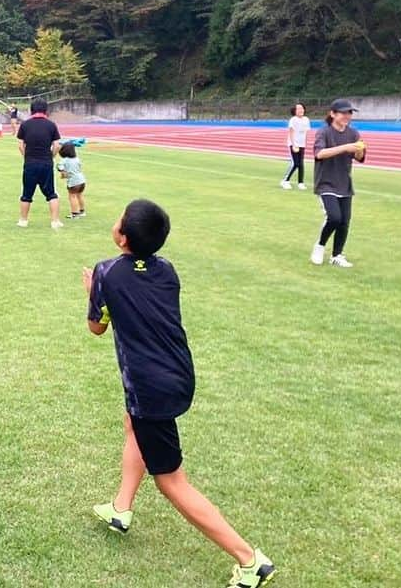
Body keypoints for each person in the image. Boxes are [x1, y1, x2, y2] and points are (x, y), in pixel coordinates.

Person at [84, 199, 276, 588]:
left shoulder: (106, 273)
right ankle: (121, 508)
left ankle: (250, 560)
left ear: (121, 237)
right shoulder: (168, 270)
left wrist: (93, 291)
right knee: (132, 422)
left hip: (150, 388)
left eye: (119, 219)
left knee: (171, 481)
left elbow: (97, 328)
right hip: (178, 376)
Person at [310, 98, 366, 268]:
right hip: (326, 182)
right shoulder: (324, 132)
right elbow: (319, 154)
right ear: (332, 114)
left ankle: (337, 255)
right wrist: (345, 147)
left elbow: (359, 158)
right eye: (343, 113)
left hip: (344, 182)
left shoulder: (353, 134)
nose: (347, 116)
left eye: (349, 113)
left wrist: (359, 149)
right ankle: (320, 245)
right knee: (334, 217)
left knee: (344, 222)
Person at [16, 97, 63, 229]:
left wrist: (27, 156)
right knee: (51, 193)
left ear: (32, 110)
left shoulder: (25, 125)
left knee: (26, 193)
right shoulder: (51, 125)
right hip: (46, 162)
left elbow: (20, 145)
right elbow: (57, 145)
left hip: (30, 162)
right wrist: (51, 156)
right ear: (45, 110)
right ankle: (54, 221)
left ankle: (23, 220)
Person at [281, 103, 311, 190]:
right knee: (295, 163)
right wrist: (293, 145)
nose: (301, 110)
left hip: (302, 144)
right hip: (293, 144)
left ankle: (300, 182)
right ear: (295, 111)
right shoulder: (293, 120)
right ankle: (285, 181)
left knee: (301, 164)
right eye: (298, 109)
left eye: (302, 108)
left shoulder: (306, 119)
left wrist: (305, 144)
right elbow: (291, 132)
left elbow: (306, 133)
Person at [57, 141, 87, 219]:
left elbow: (60, 167)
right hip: (81, 179)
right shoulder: (76, 158)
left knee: (72, 196)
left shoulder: (65, 160)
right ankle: (82, 211)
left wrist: (63, 173)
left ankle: (75, 213)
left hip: (73, 181)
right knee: (80, 195)